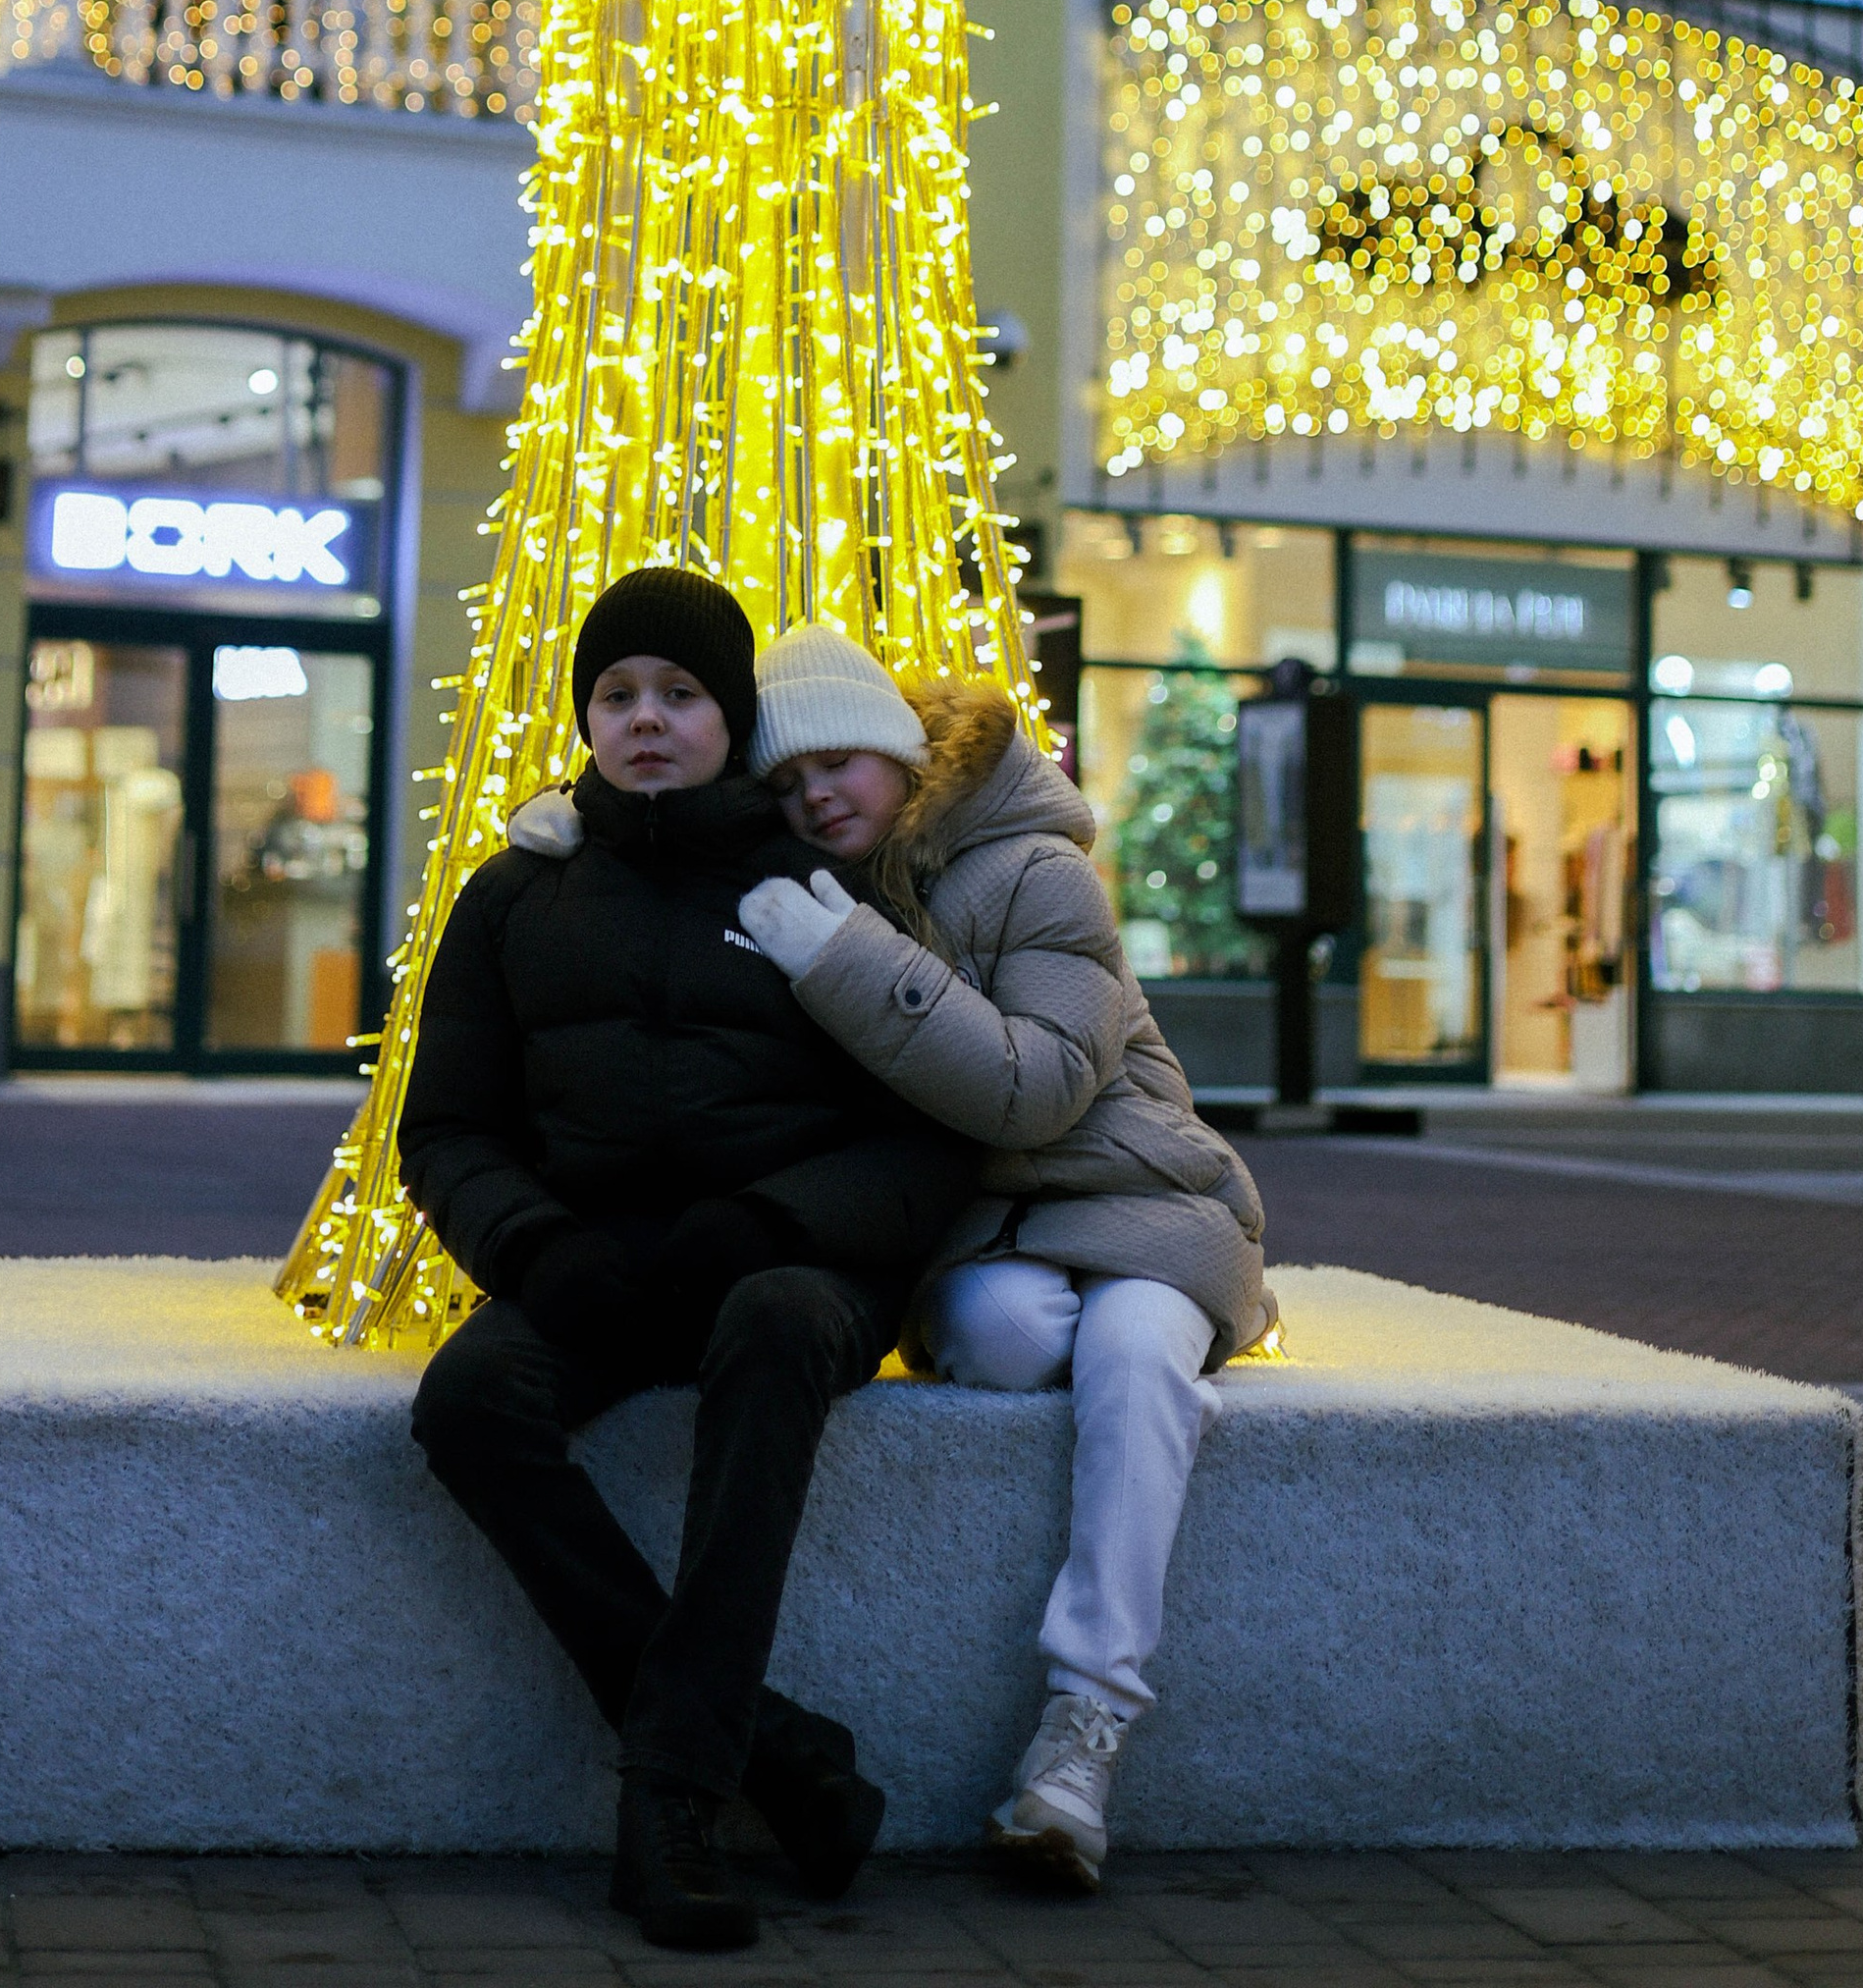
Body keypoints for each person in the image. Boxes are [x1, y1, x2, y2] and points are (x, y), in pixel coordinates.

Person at [401, 567, 976, 1956]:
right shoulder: (514, 895)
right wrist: (533, 1244)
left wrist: (777, 1220)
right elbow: (449, 1128)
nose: (646, 719)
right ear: (586, 718)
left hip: (794, 1262)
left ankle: (673, 1804)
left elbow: (928, 1140)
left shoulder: (829, 892)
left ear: (732, 720)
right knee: (470, 1403)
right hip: (598, 1262)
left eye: (680, 694)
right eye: (617, 695)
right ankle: (773, 1750)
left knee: (773, 1328)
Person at [741, 623, 1271, 1894]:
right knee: (1002, 1336)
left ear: (897, 751)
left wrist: (847, 964)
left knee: (1135, 1357)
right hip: (995, 1231)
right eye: (786, 781)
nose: (816, 795)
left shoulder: (1035, 869)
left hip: (1141, 1193)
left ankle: (1084, 1730)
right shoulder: (833, 889)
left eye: (836, 762)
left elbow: (1038, 1091)